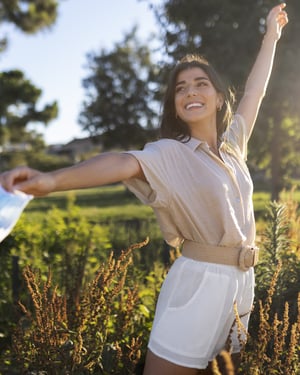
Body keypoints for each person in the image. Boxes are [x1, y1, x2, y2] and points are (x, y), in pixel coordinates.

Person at [0, 4, 288, 374]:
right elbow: (120, 162)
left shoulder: (233, 146)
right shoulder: (169, 153)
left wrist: (270, 37)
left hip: (243, 283)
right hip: (197, 285)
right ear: (176, 106)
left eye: (201, 83)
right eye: (181, 88)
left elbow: (255, 91)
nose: (190, 92)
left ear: (219, 98)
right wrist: (52, 180)